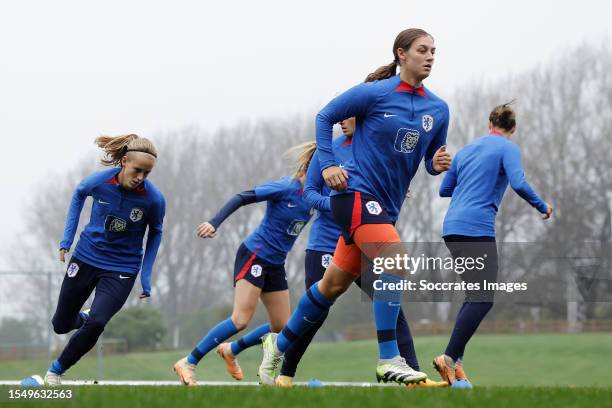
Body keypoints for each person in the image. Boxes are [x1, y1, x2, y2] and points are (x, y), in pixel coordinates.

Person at [259, 28, 452, 385]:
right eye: (422, 50)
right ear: (401, 54)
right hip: (355, 198)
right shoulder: (373, 94)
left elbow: (427, 159)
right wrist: (329, 163)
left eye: (434, 51)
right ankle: (388, 358)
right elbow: (323, 117)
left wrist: (435, 165)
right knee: (395, 260)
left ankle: (277, 344)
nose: (430, 57)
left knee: (330, 287)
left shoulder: (438, 109)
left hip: (387, 207)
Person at [276, 118, 445, 388]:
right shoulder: (328, 151)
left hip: (361, 241)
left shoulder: (373, 150)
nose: (342, 123)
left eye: (347, 117)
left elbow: (381, 189)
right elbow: (310, 196)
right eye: (339, 118)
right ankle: (283, 373)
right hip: (326, 245)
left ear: (363, 117)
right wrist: (344, 204)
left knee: (390, 304)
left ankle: (413, 377)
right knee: (316, 313)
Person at [173, 142, 316, 386]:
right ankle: (188, 361)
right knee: (240, 319)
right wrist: (214, 223)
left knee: (284, 327)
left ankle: (231, 350)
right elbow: (242, 197)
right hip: (255, 255)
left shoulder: (316, 196)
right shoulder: (285, 187)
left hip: (276, 263)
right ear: (312, 166)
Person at [433, 102, 553, 388]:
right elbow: (519, 183)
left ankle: (457, 364)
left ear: (489, 124)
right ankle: (448, 359)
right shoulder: (508, 148)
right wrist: (542, 206)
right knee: (484, 297)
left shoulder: (466, 151)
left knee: (474, 295)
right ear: (513, 128)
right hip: (476, 229)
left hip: (452, 229)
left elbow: (444, 190)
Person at [45, 134, 165, 385]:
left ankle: (55, 371)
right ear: (123, 162)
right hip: (86, 257)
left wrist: (145, 275)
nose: (141, 177)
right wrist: (67, 241)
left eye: (147, 173)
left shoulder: (154, 199)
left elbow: (155, 233)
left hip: (122, 267)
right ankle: (82, 319)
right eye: (137, 170)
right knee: (61, 324)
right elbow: (78, 194)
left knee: (98, 322)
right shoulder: (99, 182)